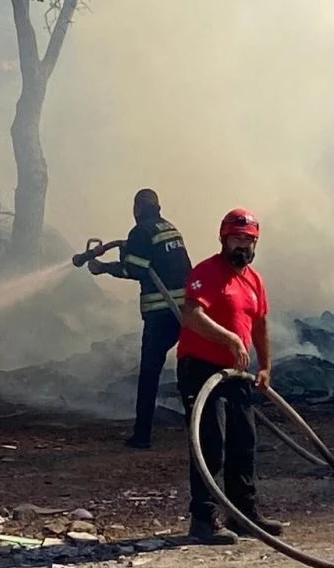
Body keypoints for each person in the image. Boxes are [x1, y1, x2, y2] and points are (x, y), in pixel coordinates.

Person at [176, 207, 284, 545]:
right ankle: (203, 519)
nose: (243, 246)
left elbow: (260, 324)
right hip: (201, 368)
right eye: (236, 239)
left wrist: (265, 365)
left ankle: (244, 515)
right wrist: (231, 340)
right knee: (210, 442)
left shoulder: (254, 281)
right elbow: (191, 315)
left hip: (237, 373)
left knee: (244, 442)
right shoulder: (206, 272)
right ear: (224, 239)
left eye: (248, 240)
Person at [88, 188, 192, 449]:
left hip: (161, 313)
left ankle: (142, 435)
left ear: (136, 208)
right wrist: (125, 248)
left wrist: (103, 268)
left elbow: (133, 270)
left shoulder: (141, 232)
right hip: (186, 311)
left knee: (149, 373)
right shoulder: (168, 228)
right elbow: (157, 260)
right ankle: (197, 425)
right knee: (189, 369)